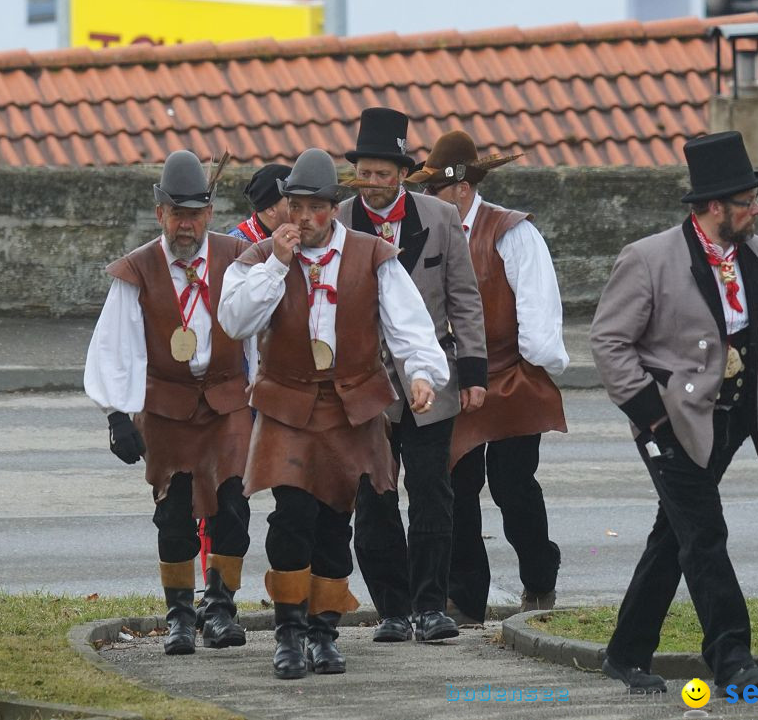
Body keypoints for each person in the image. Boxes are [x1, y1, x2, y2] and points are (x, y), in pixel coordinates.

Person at [218, 148, 448, 679]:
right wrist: (276, 262)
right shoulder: (258, 258)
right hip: (286, 405)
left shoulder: (372, 255)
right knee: (291, 518)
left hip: (352, 407)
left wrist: (420, 375)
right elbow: (235, 321)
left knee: (335, 522)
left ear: (333, 208)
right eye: (294, 207)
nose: (303, 219)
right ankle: (290, 631)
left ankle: (324, 632)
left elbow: (408, 324)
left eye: (315, 208)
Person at [589, 131, 758, 694]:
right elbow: (608, 342)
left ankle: (626, 653)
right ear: (714, 205)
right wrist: (653, 416)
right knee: (704, 534)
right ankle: (733, 659)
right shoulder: (648, 258)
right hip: (669, 423)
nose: (757, 209)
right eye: (748, 201)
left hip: (730, 420)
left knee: (673, 534)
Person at [84, 149, 256, 657]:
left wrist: (265, 396)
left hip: (227, 400)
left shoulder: (238, 258)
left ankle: (220, 609)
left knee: (233, 507)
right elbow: (114, 346)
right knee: (173, 514)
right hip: (167, 405)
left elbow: (259, 335)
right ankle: (180, 615)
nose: (186, 225)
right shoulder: (137, 271)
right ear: (160, 213)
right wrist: (117, 415)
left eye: (195, 214)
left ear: (209, 213)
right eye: (177, 214)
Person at [405, 130, 569, 625]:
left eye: (433, 190)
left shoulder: (513, 233)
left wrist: (539, 365)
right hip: (455, 379)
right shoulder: (428, 231)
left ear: (461, 188)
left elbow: (540, 313)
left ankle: (539, 580)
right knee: (456, 485)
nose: (426, 199)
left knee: (513, 484)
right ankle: (465, 596)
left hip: (512, 376)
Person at [338, 108, 487, 643]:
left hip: (434, 377)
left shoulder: (440, 219)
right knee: (374, 496)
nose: (372, 184)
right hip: (363, 385)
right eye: (365, 173)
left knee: (432, 491)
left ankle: (430, 605)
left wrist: (473, 373)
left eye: (383, 174)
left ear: (403, 173)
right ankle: (393, 609)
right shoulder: (337, 222)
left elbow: (465, 300)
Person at [229, 163, 292, 242]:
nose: (303, 215)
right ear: (271, 209)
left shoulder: (303, 239)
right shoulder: (235, 246)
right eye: (294, 204)